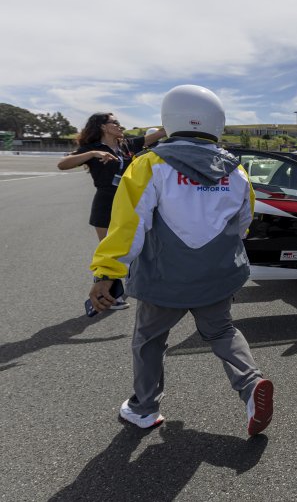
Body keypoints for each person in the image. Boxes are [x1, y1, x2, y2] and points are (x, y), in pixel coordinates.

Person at [88, 85, 274, 435]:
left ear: (169, 119)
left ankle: (144, 408)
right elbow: (244, 223)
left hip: (164, 278)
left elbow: (128, 226)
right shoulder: (237, 171)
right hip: (218, 275)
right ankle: (251, 386)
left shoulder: (149, 164)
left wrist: (106, 273)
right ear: (217, 122)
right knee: (222, 331)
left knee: (149, 340)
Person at [57, 114, 165, 242]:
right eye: (115, 122)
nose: (120, 126)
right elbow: (62, 164)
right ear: (103, 127)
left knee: (135, 248)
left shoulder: (127, 145)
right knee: (108, 248)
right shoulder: (92, 149)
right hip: (105, 205)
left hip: (131, 202)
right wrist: (92, 154)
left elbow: (160, 133)